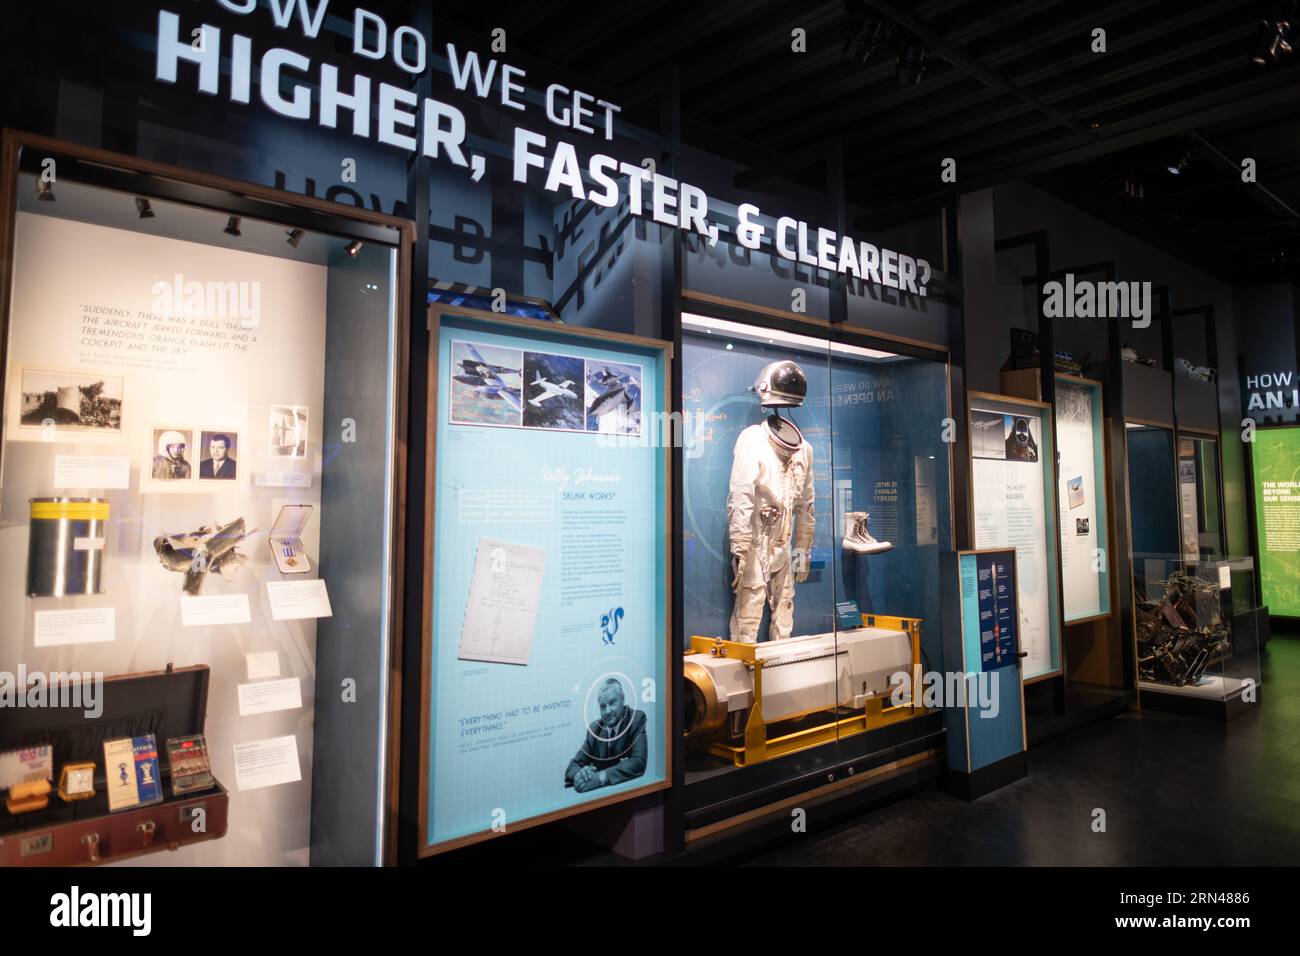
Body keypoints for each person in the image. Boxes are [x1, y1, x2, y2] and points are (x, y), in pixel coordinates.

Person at [564, 679, 647, 793]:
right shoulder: (594, 729)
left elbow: (638, 763)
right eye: (603, 706)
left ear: (622, 699)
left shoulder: (636, 719)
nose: (607, 711)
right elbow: (573, 765)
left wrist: (600, 778)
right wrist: (580, 775)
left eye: (612, 703)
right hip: (599, 799)